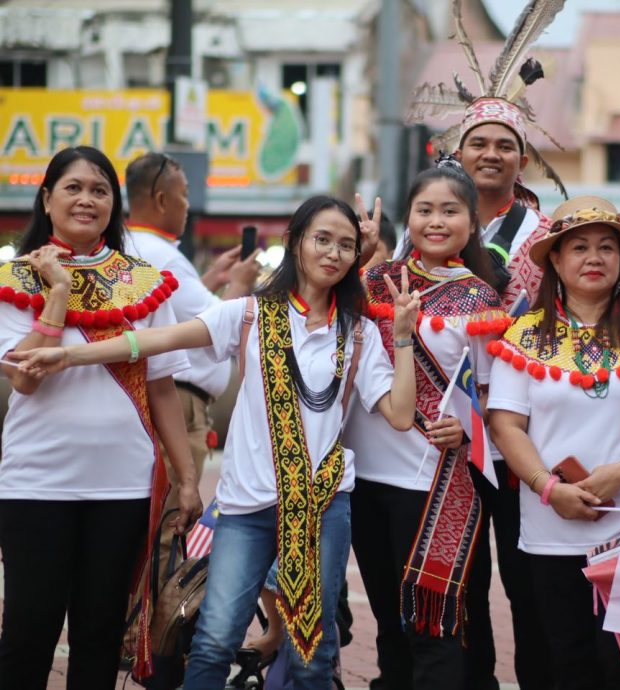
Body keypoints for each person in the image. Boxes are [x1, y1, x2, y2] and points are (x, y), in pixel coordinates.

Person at [14, 194, 421, 689]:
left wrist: (401, 338)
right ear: (294, 244)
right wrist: (69, 358)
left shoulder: (358, 334)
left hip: (321, 507)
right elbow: (154, 342)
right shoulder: (249, 314)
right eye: (322, 239)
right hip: (245, 510)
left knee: (313, 651)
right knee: (212, 642)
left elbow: (400, 415)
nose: (333, 253)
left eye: (346, 245)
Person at [406, 5, 570, 686]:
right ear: (459, 154)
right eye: (479, 144)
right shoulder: (428, 230)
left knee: (532, 584)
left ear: (522, 157)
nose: (492, 154)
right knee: (461, 585)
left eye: (505, 144)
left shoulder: (549, 236)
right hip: (450, 437)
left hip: (524, 432)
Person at [0, 145, 202, 689]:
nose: (87, 200)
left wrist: (186, 478)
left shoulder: (146, 281)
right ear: (46, 198)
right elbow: (24, 376)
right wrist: (59, 292)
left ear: (115, 203)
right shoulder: (13, 279)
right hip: (35, 483)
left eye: (100, 190)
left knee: (99, 637)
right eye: (73, 187)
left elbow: (162, 390)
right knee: (27, 635)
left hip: (122, 486)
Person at [487, 195, 620, 689]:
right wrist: (545, 487)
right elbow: (505, 425)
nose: (594, 258)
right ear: (555, 260)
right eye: (578, 247)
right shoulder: (523, 337)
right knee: (566, 661)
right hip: (549, 529)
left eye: (607, 247)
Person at [345, 159, 506, 690]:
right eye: (425, 210)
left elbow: (491, 390)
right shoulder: (373, 279)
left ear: (472, 220)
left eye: (450, 211)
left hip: (433, 481)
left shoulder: (479, 296)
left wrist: (468, 426)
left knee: (433, 625)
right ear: (408, 218)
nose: (436, 221)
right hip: (366, 474)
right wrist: (365, 254)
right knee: (388, 623)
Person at [124, 151, 260, 584]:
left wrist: (213, 281)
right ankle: (150, 638)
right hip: (177, 400)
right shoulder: (160, 255)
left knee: (160, 521)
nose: (187, 205)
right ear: (161, 199)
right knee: (171, 519)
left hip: (174, 395)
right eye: (183, 196)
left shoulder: (140, 248)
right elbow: (215, 324)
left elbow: (176, 313)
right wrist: (238, 287)